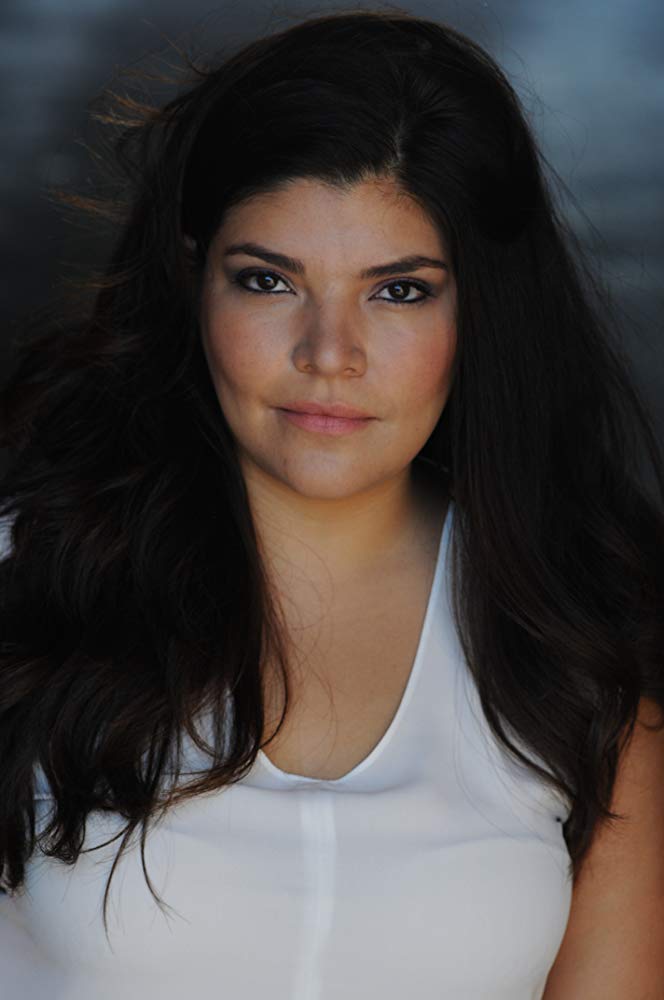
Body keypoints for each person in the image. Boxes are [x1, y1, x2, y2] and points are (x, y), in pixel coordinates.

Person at [1, 7, 663, 999]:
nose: (329, 354)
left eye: (399, 292)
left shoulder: (578, 647)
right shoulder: (24, 587)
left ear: (481, 310)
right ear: (192, 279)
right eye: (269, 280)